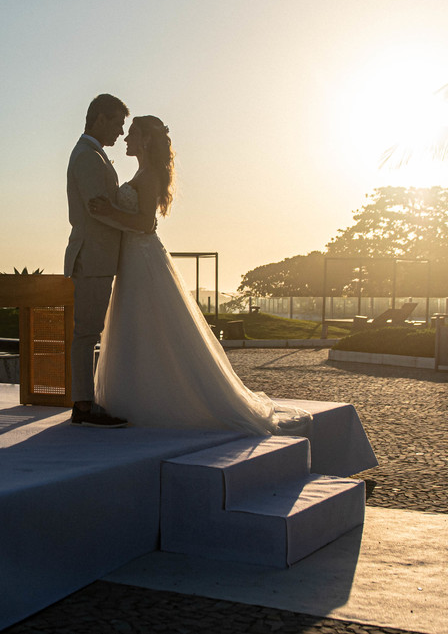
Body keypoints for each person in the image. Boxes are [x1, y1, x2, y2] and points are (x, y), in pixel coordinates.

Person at [88, 115, 311, 436]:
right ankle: (139, 394)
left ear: (146, 140)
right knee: (138, 327)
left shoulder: (148, 176)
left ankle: (164, 398)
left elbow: (145, 224)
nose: (125, 139)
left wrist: (109, 212)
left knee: (153, 327)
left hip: (144, 260)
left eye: (132, 134)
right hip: (132, 260)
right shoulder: (141, 173)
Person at [64, 94, 149, 428]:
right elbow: (97, 210)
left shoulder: (94, 155)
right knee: (86, 333)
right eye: (117, 122)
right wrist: (139, 224)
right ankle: (83, 407)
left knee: (89, 332)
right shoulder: (87, 157)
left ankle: (86, 403)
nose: (120, 131)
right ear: (99, 118)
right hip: (92, 258)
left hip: (100, 258)